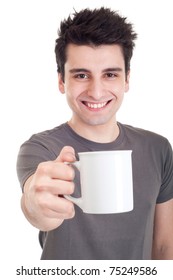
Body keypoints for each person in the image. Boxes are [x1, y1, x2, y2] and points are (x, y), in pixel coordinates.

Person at [16, 7, 173, 260]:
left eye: (110, 74)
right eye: (81, 75)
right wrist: (33, 205)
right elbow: (37, 210)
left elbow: (165, 246)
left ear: (127, 80)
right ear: (61, 81)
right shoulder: (40, 149)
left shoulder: (159, 149)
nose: (97, 92)